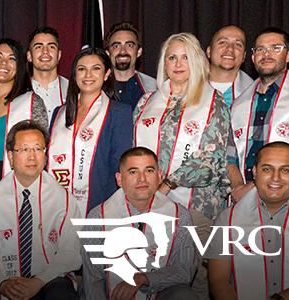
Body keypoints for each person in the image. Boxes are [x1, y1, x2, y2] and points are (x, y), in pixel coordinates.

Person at [133, 32, 232, 298]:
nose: (177, 63)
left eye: (185, 57)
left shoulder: (214, 102)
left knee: (193, 280)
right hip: (151, 205)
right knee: (150, 273)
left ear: (197, 60)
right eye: (172, 57)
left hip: (195, 206)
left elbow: (212, 161)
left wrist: (166, 184)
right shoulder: (146, 102)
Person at [0, 120, 81, 299]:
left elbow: (71, 253)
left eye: (38, 149)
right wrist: (1, 283)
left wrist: (39, 281)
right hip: (4, 280)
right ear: (10, 156)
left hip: (50, 279)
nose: (32, 156)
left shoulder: (62, 198)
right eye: (24, 149)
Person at [80, 147, 198, 299]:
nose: (142, 178)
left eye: (149, 170)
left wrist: (144, 278)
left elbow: (184, 270)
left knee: (184, 295)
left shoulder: (179, 216)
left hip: (156, 292)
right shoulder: (98, 217)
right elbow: (93, 279)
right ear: (119, 179)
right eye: (133, 172)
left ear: (159, 176)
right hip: (112, 295)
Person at [207, 142, 289, 300]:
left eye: (285, 170)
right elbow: (218, 279)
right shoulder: (227, 218)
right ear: (255, 172)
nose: (275, 177)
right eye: (267, 169)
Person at [228, 27, 289, 201]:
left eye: (276, 48)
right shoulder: (240, 104)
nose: (266, 54)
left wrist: (254, 187)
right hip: (243, 199)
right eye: (260, 49)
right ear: (253, 58)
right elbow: (230, 155)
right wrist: (238, 188)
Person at [47, 46, 135, 213]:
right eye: (82, 69)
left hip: (101, 204)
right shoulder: (59, 113)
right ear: (74, 74)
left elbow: (120, 165)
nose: (88, 75)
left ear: (107, 74)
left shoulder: (119, 112)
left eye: (96, 69)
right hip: (57, 206)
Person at [0, 38, 46, 190]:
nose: (3, 63)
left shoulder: (31, 102)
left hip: (18, 181)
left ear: (20, 66)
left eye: (12, 59)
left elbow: (42, 147)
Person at [105, 22, 158, 108]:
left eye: (129, 45)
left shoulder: (154, 88)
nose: (123, 51)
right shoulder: (97, 88)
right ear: (108, 53)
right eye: (116, 46)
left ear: (139, 52)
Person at [206, 25, 254, 106]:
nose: (230, 48)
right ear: (209, 51)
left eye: (238, 44)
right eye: (222, 42)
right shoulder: (187, 89)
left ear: (244, 56)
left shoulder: (254, 94)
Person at [27, 27, 69, 114]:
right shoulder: (19, 91)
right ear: (29, 56)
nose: (45, 51)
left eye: (51, 47)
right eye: (38, 47)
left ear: (59, 55)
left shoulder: (73, 90)